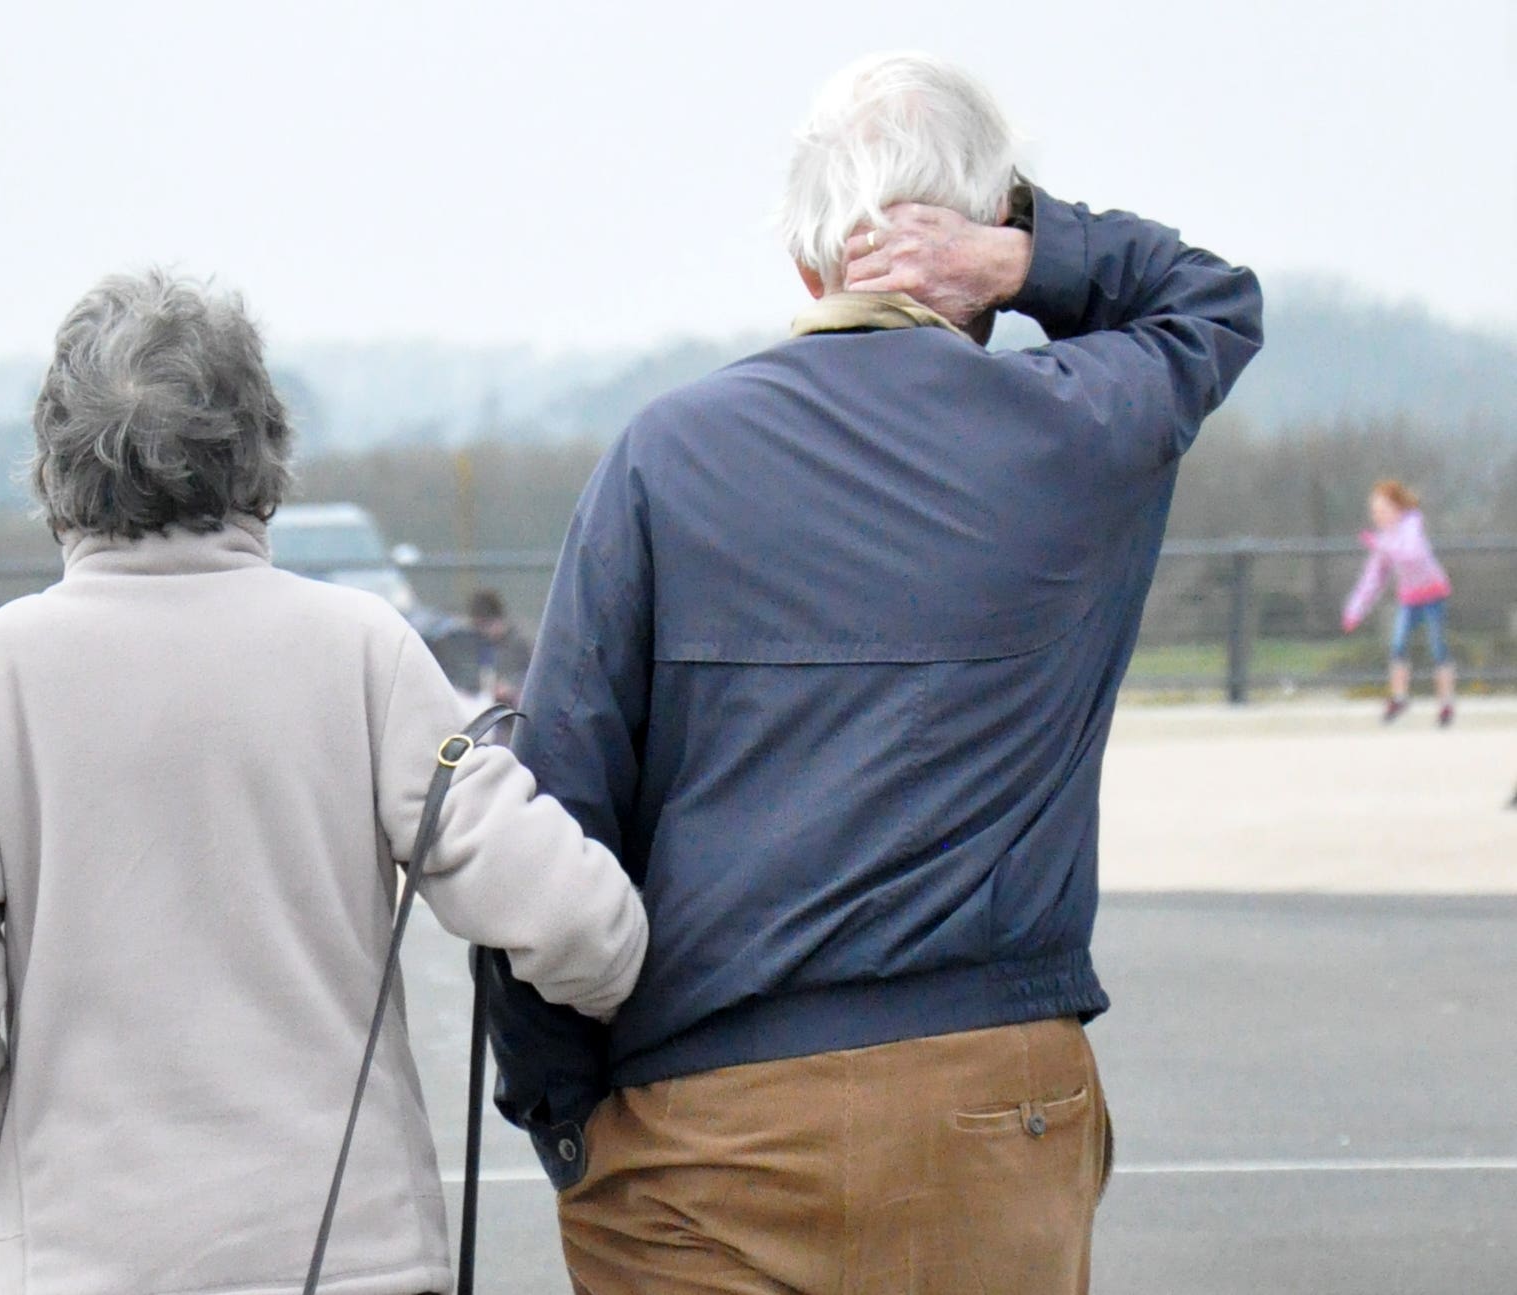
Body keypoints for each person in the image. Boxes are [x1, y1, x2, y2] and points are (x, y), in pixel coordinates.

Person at [484, 52, 1262, 1294]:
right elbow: (1208, 301)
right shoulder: (1074, 428)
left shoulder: (664, 454)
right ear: (976, 242)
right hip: (993, 1109)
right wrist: (1022, 252)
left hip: (705, 1119)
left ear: (807, 258)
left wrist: (563, 1116)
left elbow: (561, 800)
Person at [0, 270, 647, 1295]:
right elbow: (573, 918)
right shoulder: (360, 648)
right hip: (349, 1251)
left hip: (88, 1254)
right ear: (262, 445)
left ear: (54, 461)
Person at [1340, 479, 1456, 726]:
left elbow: (1412, 554)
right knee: (1398, 646)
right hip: (1410, 596)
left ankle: (1446, 703)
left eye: (1382, 511)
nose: (1377, 516)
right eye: (1374, 512)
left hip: (1433, 593)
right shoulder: (1384, 540)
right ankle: (1400, 697)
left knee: (1438, 648)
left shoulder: (1412, 524)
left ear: (1397, 509)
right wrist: (1354, 610)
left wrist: (1382, 544)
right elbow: (1372, 580)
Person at [467, 588, 533, 706]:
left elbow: (533, 675)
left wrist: (512, 687)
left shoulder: (520, 642)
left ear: (498, 620)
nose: (484, 633)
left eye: (486, 626)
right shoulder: (482, 643)